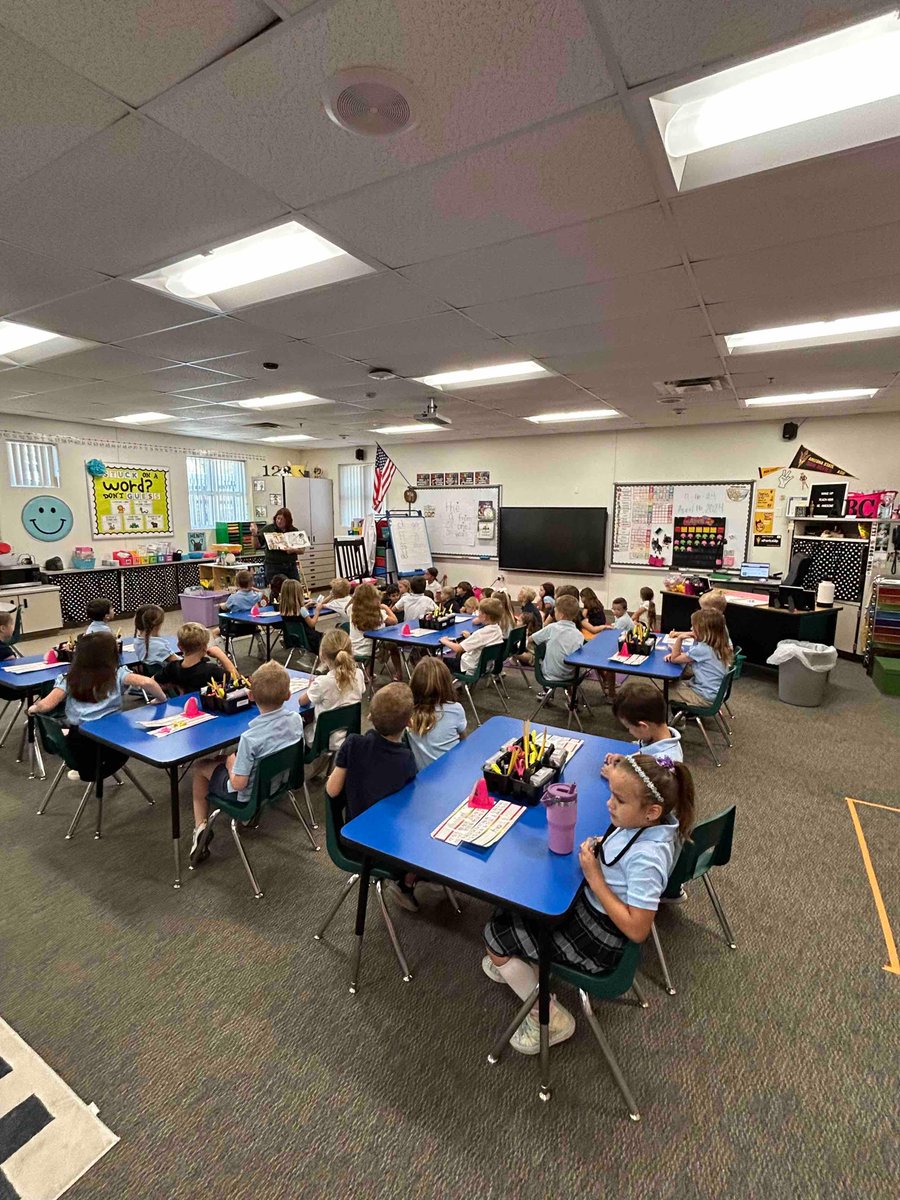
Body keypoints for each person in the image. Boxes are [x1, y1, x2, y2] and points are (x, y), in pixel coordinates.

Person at [483, 754, 695, 1054]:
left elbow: (638, 930)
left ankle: (548, 1017)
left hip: (602, 939)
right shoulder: (651, 824)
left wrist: (595, 877)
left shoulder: (649, 859)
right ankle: (516, 963)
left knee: (495, 935)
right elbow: (625, 862)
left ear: (652, 811)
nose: (610, 804)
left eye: (619, 800)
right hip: (594, 911)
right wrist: (602, 846)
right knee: (515, 908)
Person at [189, 661, 303, 867]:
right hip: (278, 783)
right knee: (223, 760)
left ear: (250, 696)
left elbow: (239, 784)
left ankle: (200, 826)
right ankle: (247, 819)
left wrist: (231, 764)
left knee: (200, 766)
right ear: (288, 695)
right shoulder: (296, 719)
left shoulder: (250, 739)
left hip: (247, 796)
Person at [326, 682, 419, 908]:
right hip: (386, 846)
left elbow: (331, 790)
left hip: (353, 835)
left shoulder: (353, 744)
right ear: (409, 722)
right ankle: (407, 881)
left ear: (369, 715)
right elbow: (409, 807)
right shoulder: (405, 759)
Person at [28, 632, 166, 779]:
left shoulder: (68, 679)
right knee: (136, 735)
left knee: (78, 734)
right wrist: (161, 698)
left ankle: (83, 766)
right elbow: (147, 682)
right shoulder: (117, 673)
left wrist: (33, 709)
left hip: (79, 743)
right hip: (111, 741)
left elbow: (47, 704)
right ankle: (90, 771)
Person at [297, 628, 365, 749]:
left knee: (300, 724)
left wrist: (310, 688)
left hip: (324, 739)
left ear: (322, 656)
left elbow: (301, 701)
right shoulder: (359, 674)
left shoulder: (322, 683)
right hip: (350, 735)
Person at [407, 657, 467, 770]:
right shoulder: (456, 709)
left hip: (421, 777)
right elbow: (464, 742)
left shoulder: (408, 712)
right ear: (447, 684)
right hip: (451, 773)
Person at [603, 682, 683, 767]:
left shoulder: (665, 763)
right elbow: (646, 752)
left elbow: (644, 780)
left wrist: (613, 775)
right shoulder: (659, 737)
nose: (629, 731)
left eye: (628, 728)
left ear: (643, 726)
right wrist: (627, 760)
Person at [666, 609, 732, 705]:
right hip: (715, 694)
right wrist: (681, 654)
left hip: (704, 697)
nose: (691, 629)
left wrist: (680, 638)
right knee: (679, 682)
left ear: (704, 630)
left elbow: (674, 659)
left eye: (694, 627)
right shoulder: (719, 644)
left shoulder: (703, 649)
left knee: (667, 690)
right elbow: (691, 657)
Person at [527, 593, 583, 698]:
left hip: (550, 674)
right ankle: (571, 697)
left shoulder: (552, 628)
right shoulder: (579, 635)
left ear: (561, 615)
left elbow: (531, 639)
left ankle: (547, 692)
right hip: (571, 675)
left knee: (540, 654)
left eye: (555, 610)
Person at [156, 623, 237, 695]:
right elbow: (236, 680)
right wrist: (221, 655)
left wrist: (174, 686)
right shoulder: (211, 670)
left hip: (183, 707)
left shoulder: (171, 667)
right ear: (205, 647)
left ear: (179, 646)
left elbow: (152, 682)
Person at [440, 597, 505, 675]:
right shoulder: (497, 629)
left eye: (479, 612)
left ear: (484, 616)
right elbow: (483, 642)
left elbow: (458, 648)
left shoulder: (481, 633)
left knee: (439, 659)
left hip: (469, 667)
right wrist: (470, 637)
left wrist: (445, 641)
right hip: (486, 666)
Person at [349, 582, 399, 678]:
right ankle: (398, 673)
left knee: (369, 641)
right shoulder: (378, 612)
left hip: (352, 649)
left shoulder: (352, 609)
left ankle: (367, 674)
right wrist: (386, 607)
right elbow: (395, 621)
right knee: (392, 645)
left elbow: (350, 603)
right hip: (372, 650)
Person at [250, 506, 304, 584]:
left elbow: (302, 550)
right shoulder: (268, 529)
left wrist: (293, 550)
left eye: (282, 519)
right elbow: (256, 546)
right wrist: (254, 534)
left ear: (288, 521)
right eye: (278, 518)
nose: (279, 521)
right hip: (273, 566)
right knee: (275, 589)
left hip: (290, 566)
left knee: (295, 587)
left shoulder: (294, 531)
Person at [279, 577, 325, 654]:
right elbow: (312, 624)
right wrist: (317, 611)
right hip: (310, 640)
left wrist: (306, 606)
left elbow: (296, 612)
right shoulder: (302, 610)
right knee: (327, 636)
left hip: (294, 640)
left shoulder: (284, 610)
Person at [133, 605, 177, 670]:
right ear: (157, 625)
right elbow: (181, 663)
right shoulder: (159, 647)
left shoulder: (137, 641)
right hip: (167, 677)